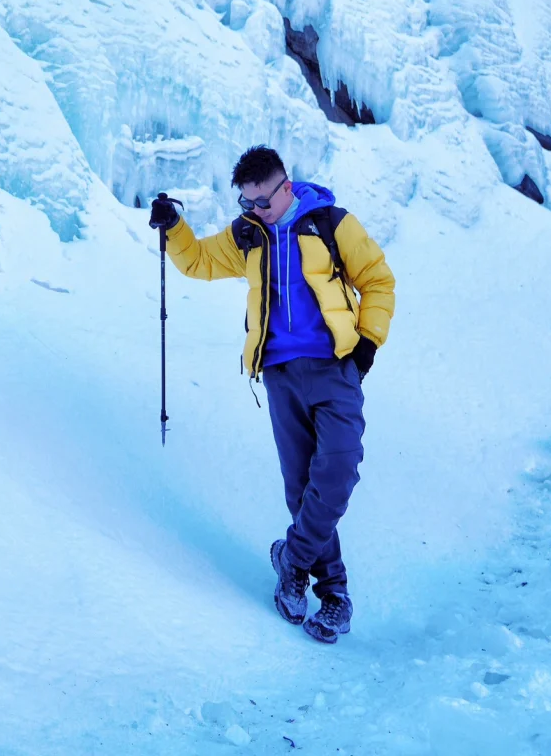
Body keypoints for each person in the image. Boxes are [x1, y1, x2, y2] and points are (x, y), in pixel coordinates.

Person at [149, 145, 395, 644]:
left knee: (340, 467)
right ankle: (334, 595)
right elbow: (197, 261)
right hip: (280, 375)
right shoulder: (249, 237)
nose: (253, 211)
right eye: (246, 203)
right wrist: (174, 227)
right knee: (301, 485)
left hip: (334, 367)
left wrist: (366, 346)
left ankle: (291, 557)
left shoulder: (331, 222)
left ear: (285, 188)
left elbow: (377, 280)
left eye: (261, 201)